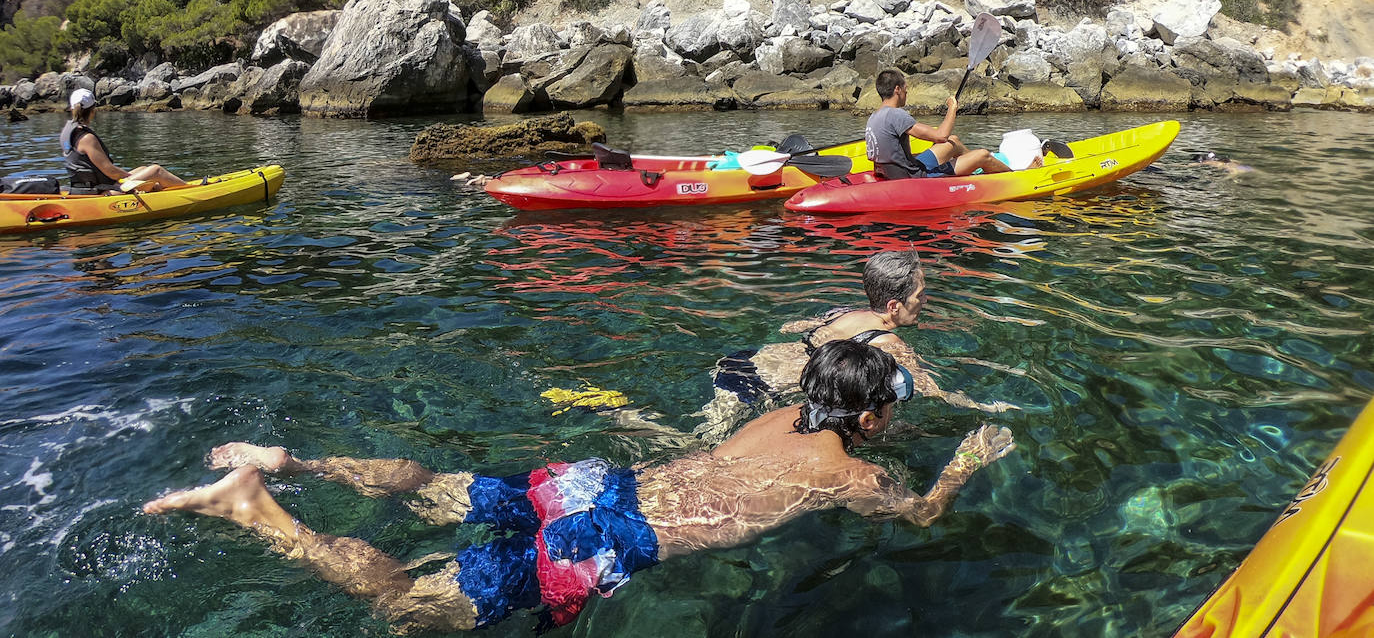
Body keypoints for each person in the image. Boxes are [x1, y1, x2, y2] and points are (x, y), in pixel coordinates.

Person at [143, 341, 1015, 633]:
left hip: (594, 482)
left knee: (439, 485)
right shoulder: (852, 475)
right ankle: (258, 504)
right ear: (865, 420)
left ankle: (301, 461)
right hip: (601, 544)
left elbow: (711, 444)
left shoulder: (775, 419)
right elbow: (919, 514)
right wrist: (965, 465)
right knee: (408, 607)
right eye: (888, 409)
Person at [701, 251, 1013, 442]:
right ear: (894, 305)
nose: (925, 302)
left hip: (741, 363)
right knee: (700, 449)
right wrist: (986, 408)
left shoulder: (845, 313)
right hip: (755, 388)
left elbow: (791, 328)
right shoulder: (889, 343)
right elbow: (933, 391)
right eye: (920, 296)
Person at [865, 68, 1011, 180]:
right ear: (897, 89)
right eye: (905, 88)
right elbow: (940, 136)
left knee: (953, 141)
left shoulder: (873, 117)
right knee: (983, 155)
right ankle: (1014, 175)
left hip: (902, 169)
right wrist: (952, 108)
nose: (906, 92)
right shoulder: (895, 114)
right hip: (914, 177)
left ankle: (976, 168)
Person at [60, 88, 185, 192]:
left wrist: (136, 177)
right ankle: (193, 191)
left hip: (89, 186)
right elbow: (110, 171)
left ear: (72, 108)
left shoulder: (69, 132)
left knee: (143, 169)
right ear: (92, 110)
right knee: (155, 170)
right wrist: (131, 179)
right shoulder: (87, 138)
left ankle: (164, 191)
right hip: (102, 190)